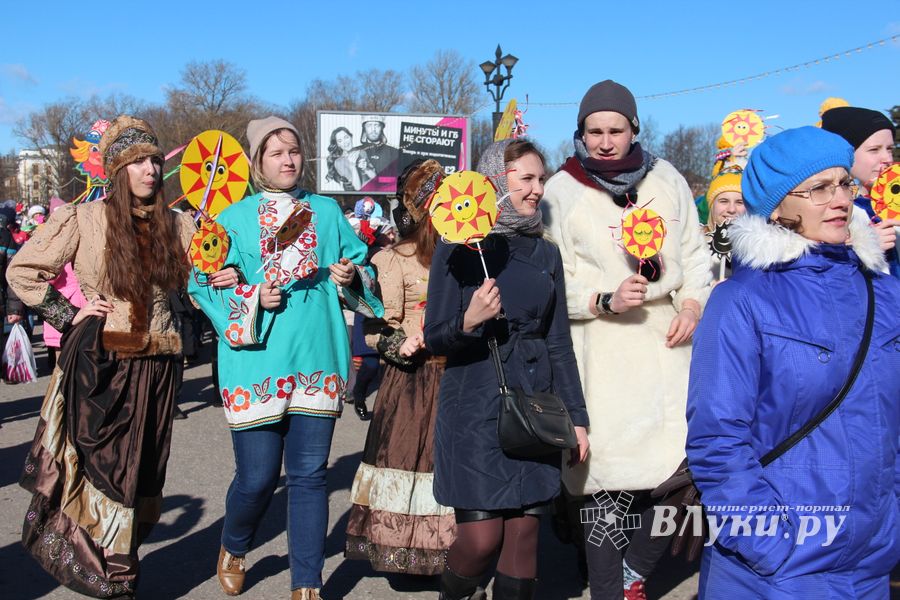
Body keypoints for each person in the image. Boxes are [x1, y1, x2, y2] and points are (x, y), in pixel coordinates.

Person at [7, 115, 238, 597]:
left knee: (143, 472)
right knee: (107, 469)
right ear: (117, 170)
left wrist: (221, 278)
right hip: (100, 362)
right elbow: (23, 271)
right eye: (139, 162)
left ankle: (122, 562)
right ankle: (116, 575)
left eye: (155, 159)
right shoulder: (84, 219)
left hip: (160, 365)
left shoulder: (180, 224)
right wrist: (68, 312)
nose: (152, 169)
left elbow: (200, 286)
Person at [687, 126, 900, 598]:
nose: (840, 199)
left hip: (871, 563)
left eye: (844, 183)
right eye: (819, 188)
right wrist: (768, 544)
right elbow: (717, 439)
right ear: (778, 209)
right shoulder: (742, 301)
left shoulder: (886, 292)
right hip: (774, 572)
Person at [189, 116, 382, 600]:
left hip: (316, 354)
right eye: (276, 152)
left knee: (309, 475)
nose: (289, 159)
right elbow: (200, 284)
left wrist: (349, 275)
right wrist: (251, 297)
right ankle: (234, 545)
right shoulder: (230, 219)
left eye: (294, 150)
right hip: (256, 360)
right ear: (258, 162)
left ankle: (306, 583)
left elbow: (364, 266)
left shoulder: (326, 212)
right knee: (256, 478)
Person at [541, 80, 712, 600]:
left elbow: (696, 254)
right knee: (604, 479)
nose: (605, 140)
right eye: (594, 131)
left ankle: (634, 569)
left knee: (686, 471)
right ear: (581, 133)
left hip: (666, 346)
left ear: (634, 128)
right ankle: (608, 591)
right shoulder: (562, 190)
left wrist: (691, 304)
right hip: (600, 352)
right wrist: (601, 299)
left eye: (616, 129)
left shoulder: (667, 178)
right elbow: (551, 279)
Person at [425, 139, 590, 600]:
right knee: (481, 542)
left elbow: (559, 341)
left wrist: (577, 418)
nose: (538, 189)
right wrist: (469, 320)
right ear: (497, 180)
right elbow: (436, 335)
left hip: (535, 405)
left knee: (523, 541)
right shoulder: (456, 248)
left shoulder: (545, 254)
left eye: (541, 179)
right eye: (526, 179)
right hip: (474, 405)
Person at [345, 158, 456, 575]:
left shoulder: (469, 255)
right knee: (410, 464)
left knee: (449, 468)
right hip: (412, 382)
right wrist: (400, 344)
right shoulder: (394, 259)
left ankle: (456, 555)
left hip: (460, 379)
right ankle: (407, 555)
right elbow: (373, 324)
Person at [822, 106, 900, 278]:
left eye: (890, 148)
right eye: (874, 150)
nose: (887, 159)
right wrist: (866, 246)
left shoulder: (894, 203)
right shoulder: (830, 211)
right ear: (846, 154)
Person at [704, 167, 745, 282]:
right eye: (724, 201)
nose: (731, 209)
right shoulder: (694, 245)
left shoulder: (757, 250)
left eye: (739, 202)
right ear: (712, 205)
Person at [356, 115, 399, 192]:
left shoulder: (394, 152)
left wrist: (379, 180)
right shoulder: (355, 151)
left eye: (376, 125)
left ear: (382, 128)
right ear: (364, 128)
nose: (373, 129)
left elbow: (397, 178)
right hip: (361, 195)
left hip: (387, 194)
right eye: (369, 125)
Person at [326, 126, 374, 191]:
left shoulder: (362, 152)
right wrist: (352, 166)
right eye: (340, 141)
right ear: (338, 144)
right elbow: (357, 188)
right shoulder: (339, 162)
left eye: (346, 137)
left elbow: (375, 177)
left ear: (351, 137)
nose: (345, 142)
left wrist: (365, 168)